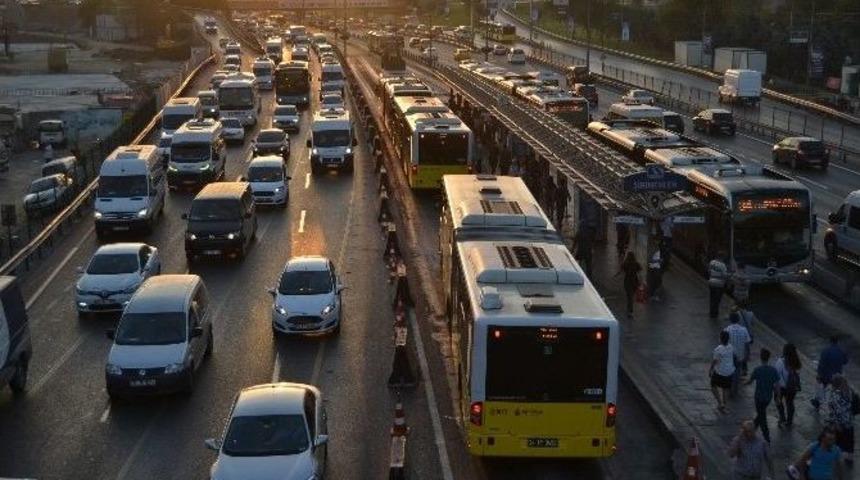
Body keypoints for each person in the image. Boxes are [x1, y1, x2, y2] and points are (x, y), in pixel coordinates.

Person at [745, 348, 779, 443]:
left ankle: (766, 436)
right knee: (761, 413)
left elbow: (750, 381)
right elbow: (777, 386)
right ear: (768, 358)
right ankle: (751, 430)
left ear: (761, 357)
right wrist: (778, 397)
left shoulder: (757, 370)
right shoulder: (773, 370)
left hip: (758, 397)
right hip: (768, 397)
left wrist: (742, 382)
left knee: (762, 416)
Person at [824, 374, 855, 465]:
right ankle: (850, 459)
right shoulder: (849, 391)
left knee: (838, 442)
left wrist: (836, 423)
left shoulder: (835, 395)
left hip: (840, 423)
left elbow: (837, 411)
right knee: (849, 441)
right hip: (849, 421)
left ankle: (837, 459)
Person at [814, 336, 849, 410]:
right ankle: (834, 406)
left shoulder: (825, 351)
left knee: (822, 388)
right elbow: (845, 361)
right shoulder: (841, 351)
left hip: (826, 374)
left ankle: (818, 402)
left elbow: (821, 364)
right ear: (837, 342)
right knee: (835, 391)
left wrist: (819, 374)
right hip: (837, 375)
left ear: (830, 341)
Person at [775, 343, 802, 429]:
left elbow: (776, 377)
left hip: (782, 387)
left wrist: (778, 392)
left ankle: (782, 417)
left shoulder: (780, 361)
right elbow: (798, 375)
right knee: (790, 403)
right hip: (792, 388)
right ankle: (789, 421)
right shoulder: (796, 362)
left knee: (778, 401)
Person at [725, 311, 753, 385]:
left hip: (730, 355)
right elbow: (747, 344)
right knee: (738, 370)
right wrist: (748, 354)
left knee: (730, 371)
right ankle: (736, 385)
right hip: (741, 355)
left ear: (730, 320)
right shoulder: (744, 330)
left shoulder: (727, 330)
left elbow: (724, 343)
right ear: (738, 320)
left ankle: (731, 385)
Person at [710, 330, 735, 414]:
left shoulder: (718, 349)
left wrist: (710, 369)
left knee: (713, 386)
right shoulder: (731, 347)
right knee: (726, 388)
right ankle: (724, 405)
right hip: (729, 372)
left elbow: (715, 361)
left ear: (720, 339)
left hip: (720, 372)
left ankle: (720, 402)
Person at [616, 251, 641, 318]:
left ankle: (630, 310)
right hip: (635, 281)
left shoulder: (625, 264)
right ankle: (630, 310)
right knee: (631, 296)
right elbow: (639, 270)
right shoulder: (636, 264)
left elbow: (621, 270)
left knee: (629, 296)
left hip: (627, 282)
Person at [708, 252, 728, 319]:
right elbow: (724, 275)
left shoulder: (712, 262)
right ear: (722, 257)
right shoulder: (723, 265)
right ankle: (715, 314)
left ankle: (711, 312)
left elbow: (709, 271)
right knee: (717, 300)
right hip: (719, 285)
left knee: (712, 298)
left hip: (711, 282)